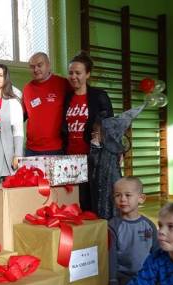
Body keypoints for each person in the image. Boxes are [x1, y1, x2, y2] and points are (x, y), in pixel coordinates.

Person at [95, 177, 158, 285]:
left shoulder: (149, 225)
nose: (122, 199)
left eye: (128, 195)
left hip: (146, 276)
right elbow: (111, 257)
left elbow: (157, 253)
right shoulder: (113, 226)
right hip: (124, 276)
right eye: (118, 195)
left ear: (141, 198)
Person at [62, 51, 114, 212]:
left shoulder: (99, 96)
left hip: (92, 158)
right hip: (70, 159)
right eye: (71, 73)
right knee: (75, 204)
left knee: (93, 202)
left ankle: (96, 234)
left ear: (88, 74)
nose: (73, 76)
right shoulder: (67, 98)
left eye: (78, 73)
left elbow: (110, 126)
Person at [22, 52, 70, 156]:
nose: (35, 70)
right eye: (32, 67)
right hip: (31, 149)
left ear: (48, 65)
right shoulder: (27, 89)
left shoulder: (63, 84)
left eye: (39, 65)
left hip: (56, 148)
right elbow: (21, 116)